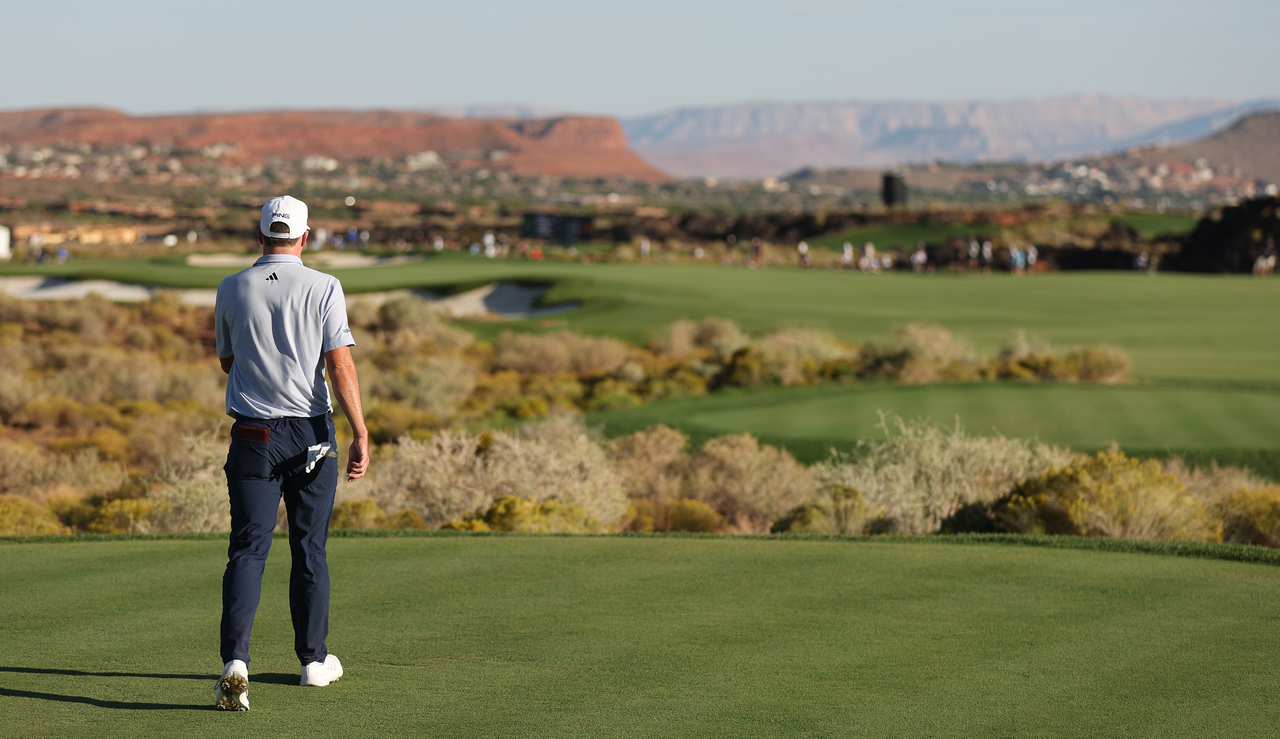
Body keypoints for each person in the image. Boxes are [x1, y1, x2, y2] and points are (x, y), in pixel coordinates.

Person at [212, 195, 370, 712]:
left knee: (248, 549)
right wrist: (361, 430)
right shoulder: (325, 286)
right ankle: (312, 662)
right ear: (305, 237)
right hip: (311, 436)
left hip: (254, 437)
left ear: (260, 236)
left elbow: (228, 360)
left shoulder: (232, 287)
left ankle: (235, 664)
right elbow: (339, 364)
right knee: (309, 547)